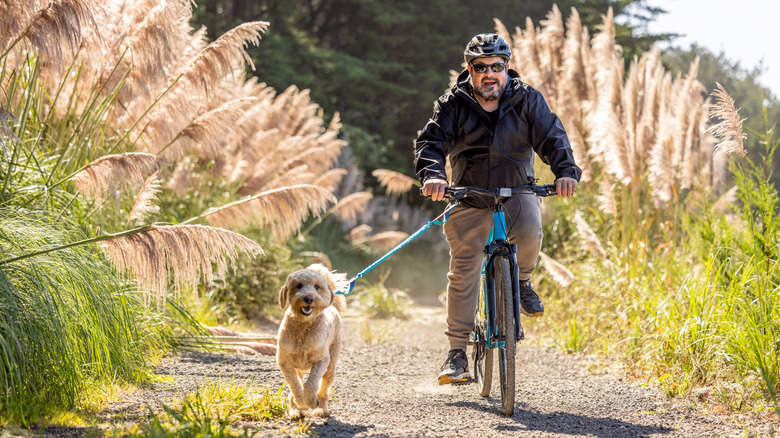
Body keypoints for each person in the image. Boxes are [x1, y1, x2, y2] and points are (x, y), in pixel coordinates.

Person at [414, 33, 581, 385]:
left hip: (517, 189)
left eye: (496, 67)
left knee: (531, 230)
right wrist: (432, 174)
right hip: (468, 194)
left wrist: (565, 171)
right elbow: (431, 143)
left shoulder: (527, 99)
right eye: (480, 68)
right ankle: (456, 353)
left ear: (507, 67)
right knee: (464, 269)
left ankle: (521, 281)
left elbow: (552, 137)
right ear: (470, 70)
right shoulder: (452, 104)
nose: (489, 74)